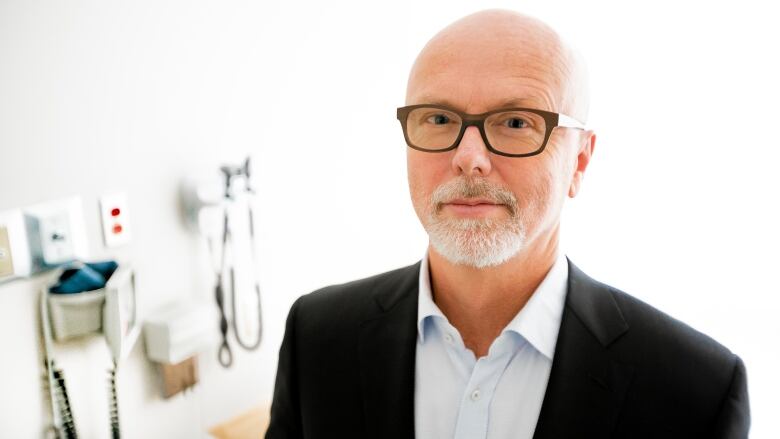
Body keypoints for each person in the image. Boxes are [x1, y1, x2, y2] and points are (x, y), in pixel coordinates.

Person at [265, 9, 750, 439]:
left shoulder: (696, 392)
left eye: (515, 122)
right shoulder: (317, 338)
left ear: (579, 161)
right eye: (437, 118)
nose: (468, 158)